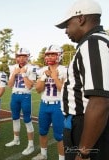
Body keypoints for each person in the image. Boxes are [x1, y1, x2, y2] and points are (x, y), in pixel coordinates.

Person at [55, 0, 109, 159]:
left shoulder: (93, 43)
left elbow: (100, 101)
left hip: (85, 125)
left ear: (80, 19)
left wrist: (84, 152)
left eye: (67, 25)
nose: (66, 31)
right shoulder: (96, 42)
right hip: (82, 123)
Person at [32, 45, 66, 160]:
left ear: (59, 56)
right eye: (48, 55)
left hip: (58, 105)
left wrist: (55, 77)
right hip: (44, 104)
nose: (49, 57)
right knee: (42, 131)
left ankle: (61, 158)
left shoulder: (65, 70)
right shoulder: (42, 70)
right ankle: (43, 154)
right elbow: (38, 89)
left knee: (59, 135)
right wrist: (43, 77)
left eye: (53, 54)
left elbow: (63, 89)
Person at [5, 48, 35, 156]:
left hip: (25, 96)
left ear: (28, 57)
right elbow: (9, 85)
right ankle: (16, 139)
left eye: (23, 56)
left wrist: (23, 74)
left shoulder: (31, 68)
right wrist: (14, 74)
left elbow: (30, 85)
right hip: (14, 95)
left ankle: (31, 145)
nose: (21, 59)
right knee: (15, 118)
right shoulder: (13, 67)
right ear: (16, 57)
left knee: (27, 120)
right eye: (19, 56)